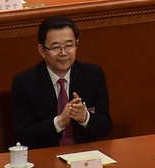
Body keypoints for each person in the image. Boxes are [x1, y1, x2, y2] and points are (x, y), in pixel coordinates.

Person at [11, 17, 112, 149]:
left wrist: (85, 117)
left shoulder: (92, 75)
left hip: (85, 156)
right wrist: (59, 122)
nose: (63, 53)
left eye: (69, 46)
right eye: (56, 47)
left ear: (76, 45)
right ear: (42, 50)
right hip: (44, 157)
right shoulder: (25, 83)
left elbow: (105, 127)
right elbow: (22, 136)